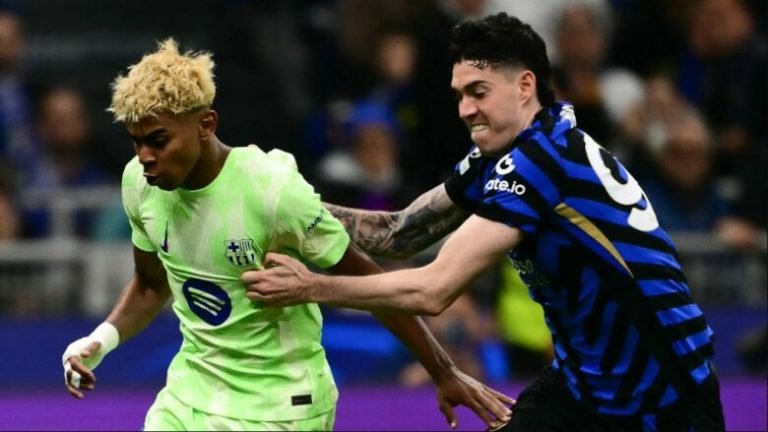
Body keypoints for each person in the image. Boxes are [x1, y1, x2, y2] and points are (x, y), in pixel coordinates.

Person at [243, 13, 726, 431]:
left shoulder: (541, 162)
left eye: (478, 92)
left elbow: (434, 290)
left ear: (525, 86)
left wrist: (310, 287)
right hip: (584, 388)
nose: (465, 109)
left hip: (666, 395)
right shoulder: (507, 154)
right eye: (459, 96)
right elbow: (399, 233)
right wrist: (286, 205)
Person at [60, 38, 514, 431]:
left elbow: (367, 280)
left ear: (205, 125)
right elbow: (150, 284)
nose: (145, 156)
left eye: (158, 140)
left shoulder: (271, 189)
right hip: (191, 394)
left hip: (283, 403)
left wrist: (442, 370)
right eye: (136, 142)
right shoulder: (139, 183)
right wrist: (100, 339)